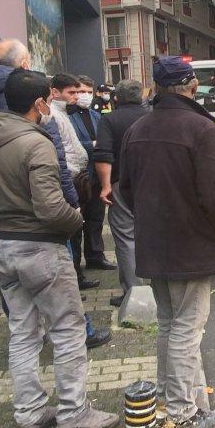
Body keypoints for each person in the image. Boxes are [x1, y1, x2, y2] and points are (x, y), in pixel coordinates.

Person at [0, 69, 119, 428]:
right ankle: (73, 413)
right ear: (39, 103)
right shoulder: (36, 144)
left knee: (23, 333)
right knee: (67, 329)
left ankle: (30, 413)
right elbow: (51, 207)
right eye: (50, 100)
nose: (52, 107)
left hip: (3, 247)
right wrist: (76, 220)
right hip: (40, 248)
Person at [119, 56, 215, 428]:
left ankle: (163, 403)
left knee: (168, 323)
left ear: (156, 89)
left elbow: (126, 189)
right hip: (190, 245)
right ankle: (181, 414)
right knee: (187, 326)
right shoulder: (202, 130)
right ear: (191, 87)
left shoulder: (138, 129)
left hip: (154, 243)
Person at [0, 41, 110, 348]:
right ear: (25, 64)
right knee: (64, 306)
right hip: (40, 222)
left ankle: (32, 335)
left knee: (20, 321)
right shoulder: (31, 104)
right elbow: (55, 161)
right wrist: (73, 209)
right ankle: (81, 332)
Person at [92, 80, 151, 307]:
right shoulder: (152, 117)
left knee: (126, 238)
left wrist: (106, 185)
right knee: (154, 233)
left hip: (121, 184)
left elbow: (103, 154)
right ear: (141, 96)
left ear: (116, 98)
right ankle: (160, 286)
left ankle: (134, 294)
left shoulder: (109, 120)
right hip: (153, 183)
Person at [50, 74, 101, 291]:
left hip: (83, 178)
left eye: (87, 92)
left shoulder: (91, 115)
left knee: (87, 224)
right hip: (70, 180)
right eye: (74, 92)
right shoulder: (56, 115)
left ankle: (81, 270)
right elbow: (62, 153)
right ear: (55, 93)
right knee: (72, 231)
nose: (78, 97)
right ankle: (74, 278)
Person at [68, 76, 115, 272]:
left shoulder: (96, 116)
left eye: (89, 92)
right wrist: (92, 145)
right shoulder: (68, 116)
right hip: (78, 178)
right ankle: (75, 262)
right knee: (76, 222)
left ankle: (95, 255)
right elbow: (69, 145)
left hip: (96, 174)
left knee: (96, 218)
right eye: (81, 91)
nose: (85, 96)